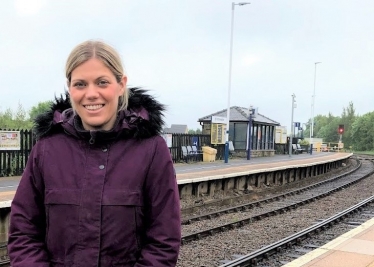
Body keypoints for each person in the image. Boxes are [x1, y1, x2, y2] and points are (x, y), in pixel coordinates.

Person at [8, 40, 181, 266]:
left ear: (121, 85)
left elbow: (163, 241)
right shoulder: (47, 149)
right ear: (69, 88)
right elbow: (24, 233)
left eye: (102, 82)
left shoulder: (151, 149)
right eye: (80, 84)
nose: (91, 94)